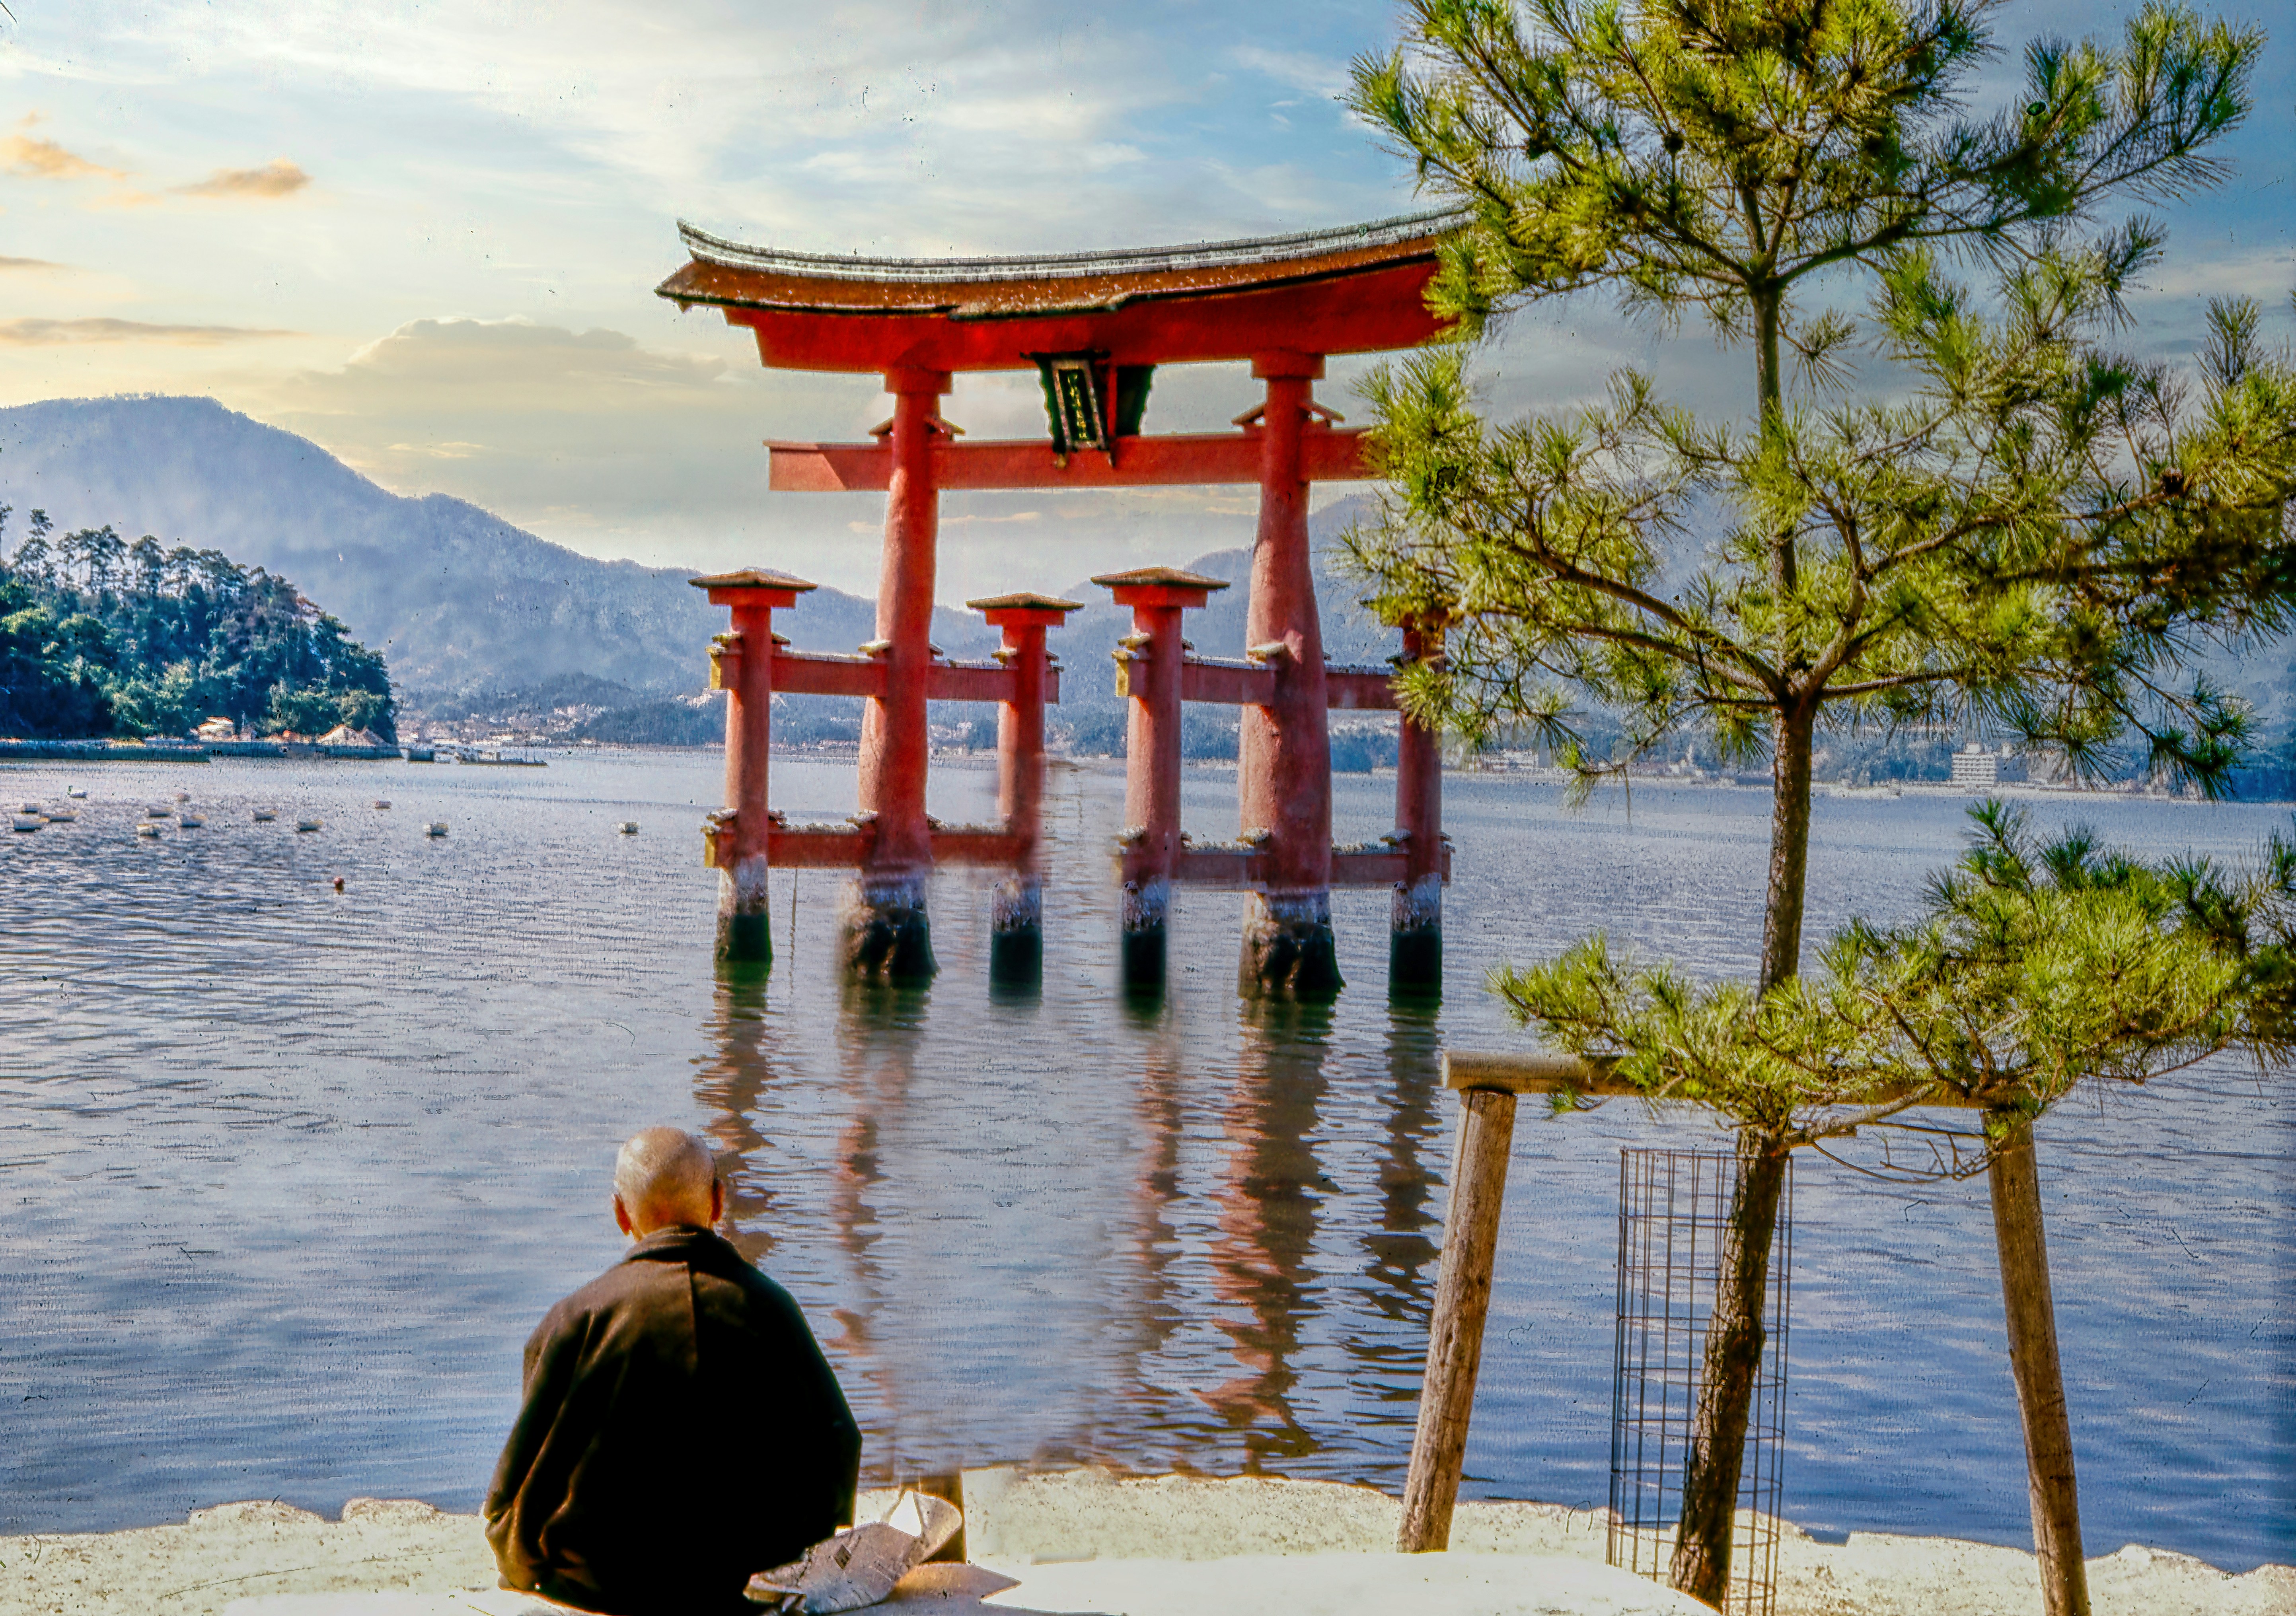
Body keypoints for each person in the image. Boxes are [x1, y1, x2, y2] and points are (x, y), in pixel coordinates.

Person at [485, 1127, 861, 1616]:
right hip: (742, 1577)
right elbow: (837, 1452)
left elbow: (519, 1489)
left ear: (621, 1213)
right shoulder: (771, 1309)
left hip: (603, 1582)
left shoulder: (577, 1317)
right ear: (718, 1201)